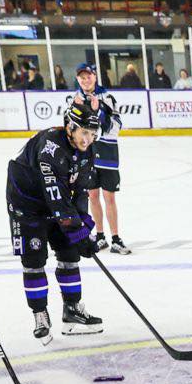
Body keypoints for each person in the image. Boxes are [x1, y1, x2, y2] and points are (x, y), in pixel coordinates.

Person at [4, 98, 104, 344]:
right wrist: (76, 229)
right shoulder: (50, 146)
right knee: (34, 259)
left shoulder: (86, 149)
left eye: (92, 134)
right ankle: (40, 315)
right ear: (70, 126)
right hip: (27, 206)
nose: (87, 139)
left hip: (56, 204)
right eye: (83, 132)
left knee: (70, 253)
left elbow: (80, 189)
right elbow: (56, 195)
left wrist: (83, 224)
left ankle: (72, 310)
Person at [69, 63, 129, 254]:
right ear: (78, 79)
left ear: (95, 77)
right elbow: (72, 129)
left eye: (88, 76)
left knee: (109, 196)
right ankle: (101, 236)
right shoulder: (74, 99)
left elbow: (116, 126)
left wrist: (99, 112)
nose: (85, 80)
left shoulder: (107, 98)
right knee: (92, 196)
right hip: (86, 156)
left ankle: (116, 238)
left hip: (107, 154)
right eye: (82, 77)